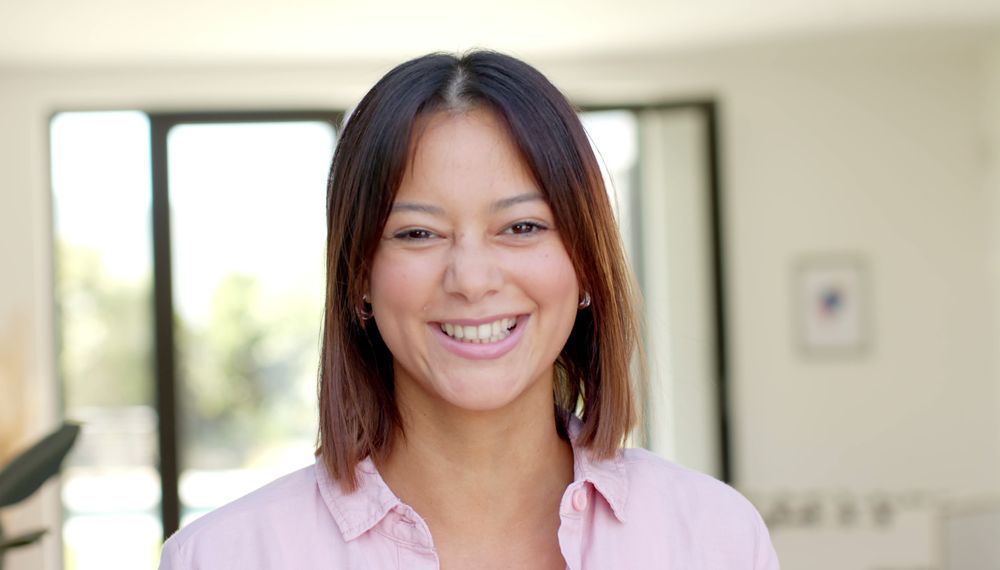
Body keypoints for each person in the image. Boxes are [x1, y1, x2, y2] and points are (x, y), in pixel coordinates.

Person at [159, 50, 779, 569]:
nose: (472, 279)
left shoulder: (713, 538)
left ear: (586, 263)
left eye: (522, 225)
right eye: (417, 234)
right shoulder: (225, 556)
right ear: (359, 280)